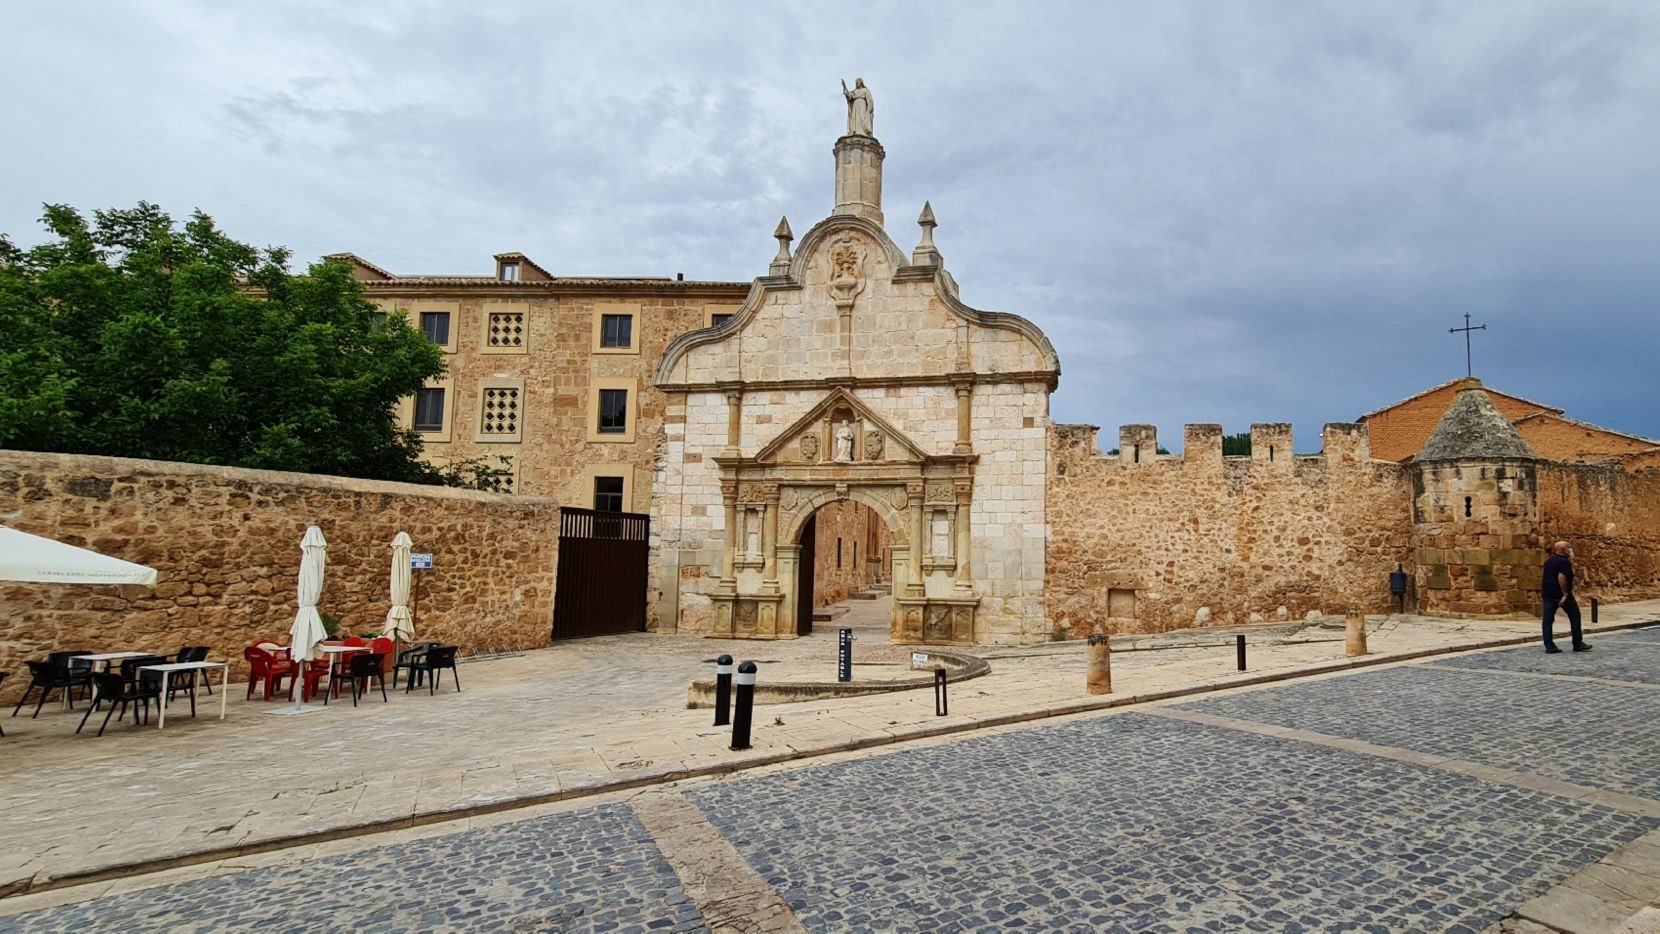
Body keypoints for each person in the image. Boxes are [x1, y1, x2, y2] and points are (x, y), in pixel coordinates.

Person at [1541, 541, 1590, 654]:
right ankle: (1577, 643)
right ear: (1563, 549)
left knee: (1547, 621)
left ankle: (1549, 646)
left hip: (1548, 594)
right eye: (1568, 548)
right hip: (1561, 595)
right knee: (1575, 617)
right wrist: (1565, 594)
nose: (1570, 550)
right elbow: (1561, 577)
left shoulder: (1548, 561)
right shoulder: (1564, 562)